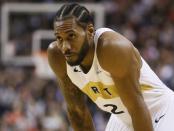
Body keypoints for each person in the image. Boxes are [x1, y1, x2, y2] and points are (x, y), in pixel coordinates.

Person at [47, 3, 174, 131]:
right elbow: (77, 112)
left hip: (160, 110)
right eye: (59, 38)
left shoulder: (111, 48)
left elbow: (137, 107)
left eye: (71, 36)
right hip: (124, 119)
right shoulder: (57, 56)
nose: (65, 47)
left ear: (90, 31)